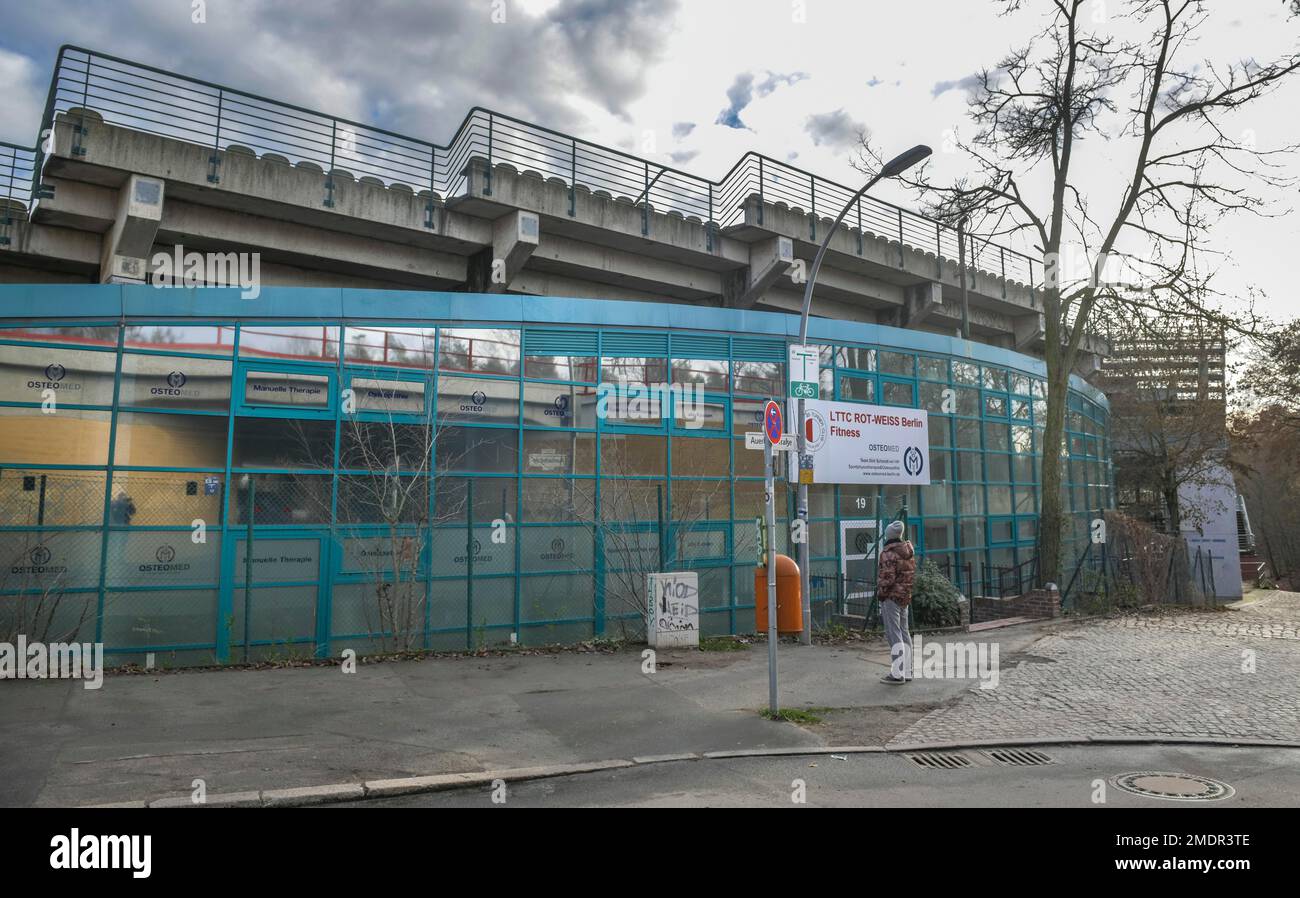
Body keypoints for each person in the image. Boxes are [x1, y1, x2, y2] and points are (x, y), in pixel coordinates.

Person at [876, 519, 916, 685]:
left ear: (888, 535)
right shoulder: (907, 552)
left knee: (894, 634)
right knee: (904, 632)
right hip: (904, 596)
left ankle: (897, 674)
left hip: (891, 597)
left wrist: (881, 593)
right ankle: (907, 671)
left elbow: (887, 578)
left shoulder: (888, 553)